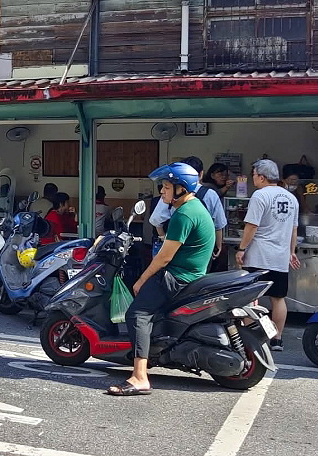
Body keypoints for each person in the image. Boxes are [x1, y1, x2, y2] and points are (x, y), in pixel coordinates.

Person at [107, 162, 215, 396]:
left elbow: (164, 257)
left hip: (177, 277)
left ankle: (139, 377)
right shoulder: (196, 207)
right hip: (191, 274)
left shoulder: (183, 215)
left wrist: (141, 279)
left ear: (181, 188)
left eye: (166, 187)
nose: (162, 192)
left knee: (137, 314)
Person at [236, 159, 300, 351]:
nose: (253, 178)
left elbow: (251, 226)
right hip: (280, 257)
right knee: (278, 298)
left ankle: (253, 337)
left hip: (258, 255)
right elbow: (294, 229)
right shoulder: (291, 198)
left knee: (250, 297)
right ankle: (277, 338)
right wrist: (291, 252)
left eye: (254, 175)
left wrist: (242, 248)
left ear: (262, 177)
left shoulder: (260, 195)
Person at [149, 156, 226, 262]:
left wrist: (163, 239)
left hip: (173, 247)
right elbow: (218, 224)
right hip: (199, 250)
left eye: (165, 187)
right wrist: (218, 246)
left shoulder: (173, 193)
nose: (162, 191)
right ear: (201, 174)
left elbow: (156, 219)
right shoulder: (210, 194)